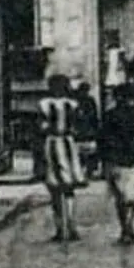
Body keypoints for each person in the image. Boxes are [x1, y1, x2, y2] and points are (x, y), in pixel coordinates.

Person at [98, 82, 134, 243]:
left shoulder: (109, 115)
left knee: (120, 197)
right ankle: (129, 223)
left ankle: (125, 227)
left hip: (115, 158)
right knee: (133, 195)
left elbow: (102, 138)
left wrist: (103, 158)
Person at [37, 73, 87, 242]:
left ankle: (60, 229)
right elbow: (78, 126)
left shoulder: (44, 104)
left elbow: (41, 127)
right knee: (69, 188)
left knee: (54, 189)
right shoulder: (72, 104)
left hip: (51, 144)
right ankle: (72, 227)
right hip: (68, 144)